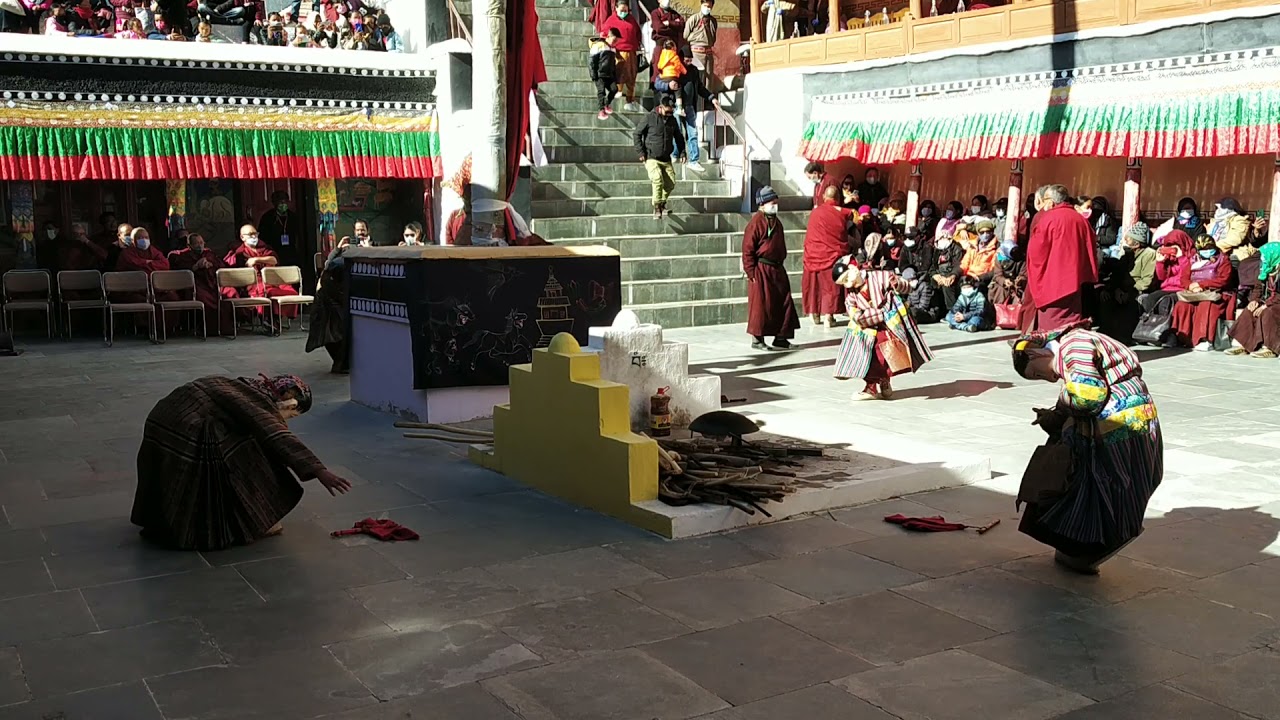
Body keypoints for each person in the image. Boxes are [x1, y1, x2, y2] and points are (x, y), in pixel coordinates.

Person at [131, 374, 351, 551]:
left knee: (243, 438)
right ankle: (251, 519)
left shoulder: (239, 385)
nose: (287, 420)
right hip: (187, 431)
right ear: (287, 400)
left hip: (161, 420)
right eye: (291, 415)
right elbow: (276, 434)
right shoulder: (258, 401)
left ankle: (165, 519)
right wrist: (319, 470)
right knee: (247, 452)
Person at [1011, 325, 1162, 574]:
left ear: (1036, 354)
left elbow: (1088, 396)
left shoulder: (1075, 346)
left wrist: (1059, 410)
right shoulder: (1076, 345)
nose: (1047, 379)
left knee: (1103, 486)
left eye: (1036, 374)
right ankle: (1087, 546)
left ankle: (1093, 543)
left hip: (1119, 429)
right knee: (1118, 484)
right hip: (1134, 422)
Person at [833, 258, 933, 400]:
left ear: (853, 269)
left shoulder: (881, 276)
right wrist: (878, 314)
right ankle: (872, 386)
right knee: (869, 356)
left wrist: (898, 283)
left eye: (847, 277)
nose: (848, 283)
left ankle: (884, 381)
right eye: (844, 282)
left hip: (889, 324)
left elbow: (908, 287)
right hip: (868, 328)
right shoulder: (851, 295)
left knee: (886, 355)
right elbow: (855, 314)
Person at [1026, 184, 1098, 332]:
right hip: (1075, 281)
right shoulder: (1081, 220)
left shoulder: (1047, 219)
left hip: (1052, 281)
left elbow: (1036, 253)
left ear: (1051, 202)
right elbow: (1091, 247)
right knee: (1071, 323)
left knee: (1051, 328)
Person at [742, 186, 799, 350]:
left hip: (777, 268)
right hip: (761, 269)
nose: (775, 205)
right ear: (763, 203)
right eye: (772, 202)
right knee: (761, 305)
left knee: (784, 302)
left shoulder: (776, 222)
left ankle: (781, 337)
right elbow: (747, 250)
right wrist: (751, 271)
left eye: (776, 202)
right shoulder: (755, 223)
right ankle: (757, 339)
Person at [223, 223, 299, 328]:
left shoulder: (263, 247)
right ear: (242, 237)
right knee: (267, 292)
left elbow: (274, 260)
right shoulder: (239, 252)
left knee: (290, 292)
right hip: (253, 283)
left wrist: (256, 259)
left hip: (272, 280)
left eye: (255, 233)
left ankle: (276, 317)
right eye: (250, 234)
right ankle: (269, 319)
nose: (254, 237)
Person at [1170, 234, 1234, 350]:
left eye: (1209, 248)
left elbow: (1223, 279)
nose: (1206, 251)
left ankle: (1204, 339)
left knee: (1206, 306)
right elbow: (1184, 277)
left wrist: (1202, 285)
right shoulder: (1193, 260)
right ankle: (1184, 338)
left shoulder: (1223, 260)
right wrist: (1191, 286)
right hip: (1195, 293)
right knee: (1182, 306)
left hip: (1215, 293)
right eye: (1203, 249)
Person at [802, 185, 852, 327]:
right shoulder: (842, 212)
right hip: (831, 254)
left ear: (824, 197)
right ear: (837, 198)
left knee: (814, 285)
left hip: (812, 254)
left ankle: (814, 314)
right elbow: (854, 216)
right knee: (829, 285)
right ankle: (828, 317)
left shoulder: (815, 212)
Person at [633, 94, 685, 219]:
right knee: (657, 179)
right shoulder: (649, 118)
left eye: (671, 112)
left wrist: (683, 152)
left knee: (670, 183)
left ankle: (662, 203)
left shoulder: (672, 120)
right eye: (667, 111)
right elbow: (637, 134)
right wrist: (641, 152)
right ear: (661, 107)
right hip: (651, 156)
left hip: (666, 158)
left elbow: (679, 137)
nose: (669, 114)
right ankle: (656, 207)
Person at [167, 232, 228, 336]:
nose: (200, 245)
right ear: (189, 246)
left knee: (228, 295)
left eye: (201, 242)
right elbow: (181, 271)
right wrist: (196, 266)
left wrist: (210, 265)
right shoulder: (181, 256)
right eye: (196, 244)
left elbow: (221, 266)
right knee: (204, 299)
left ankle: (225, 329)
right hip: (196, 285)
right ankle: (209, 330)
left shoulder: (209, 254)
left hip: (212, 283)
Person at [1227, 243, 1280, 359]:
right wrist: (1254, 300)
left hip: (1277, 303)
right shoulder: (1266, 269)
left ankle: (1270, 348)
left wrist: (1266, 305)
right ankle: (1245, 344)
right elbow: (1258, 287)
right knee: (1250, 310)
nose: (1262, 259)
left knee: (1268, 313)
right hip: (1269, 301)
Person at [308, 241, 353, 373]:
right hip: (328, 303)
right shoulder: (338, 265)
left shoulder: (343, 264)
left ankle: (341, 363)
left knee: (335, 334)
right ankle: (340, 363)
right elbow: (326, 278)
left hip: (334, 302)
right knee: (333, 334)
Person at [675, 46, 719, 170]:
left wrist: (711, 97)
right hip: (678, 106)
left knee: (693, 133)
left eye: (690, 60)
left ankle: (694, 160)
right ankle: (676, 155)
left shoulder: (694, 71)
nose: (688, 63)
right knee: (677, 131)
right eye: (686, 60)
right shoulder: (676, 69)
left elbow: (700, 87)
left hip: (690, 107)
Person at [601, 0, 642, 111]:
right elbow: (604, 34)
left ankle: (630, 99)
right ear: (616, 9)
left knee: (631, 75)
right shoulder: (611, 20)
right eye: (621, 10)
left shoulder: (631, 19)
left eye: (626, 10)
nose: (624, 12)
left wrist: (637, 44)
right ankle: (618, 90)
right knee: (619, 73)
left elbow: (638, 33)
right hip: (618, 52)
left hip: (631, 52)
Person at [257, 190, 304, 267]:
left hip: (291, 251)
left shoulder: (293, 217)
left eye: (285, 202)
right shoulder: (267, 218)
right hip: (274, 251)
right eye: (280, 202)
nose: (283, 204)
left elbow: (299, 236)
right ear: (274, 203)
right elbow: (262, 237)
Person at [683, 0, 717, 92]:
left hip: (708, 53)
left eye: (709, 7)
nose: (707, 8)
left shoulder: (713, 21)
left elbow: (713, 37)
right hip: (696, 52)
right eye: (705, 5)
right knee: (698, 78)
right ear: (701, 5)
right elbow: (685, 35)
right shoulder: (694, 19)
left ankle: (708, 101)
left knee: (709, 79)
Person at [929, 231, 964, 316]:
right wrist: (935, 275)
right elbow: (932, 267)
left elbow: (959, 266)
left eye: (944, 238)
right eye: (940, 238)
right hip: (940, 275)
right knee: (929, 282)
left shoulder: (957, 249)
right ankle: (936, 311)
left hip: (952, 275)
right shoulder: (936, 250)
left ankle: (952, 312)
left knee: (947, 285)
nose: (942, 240)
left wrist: (950, 276)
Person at [589, 28, 620, 121]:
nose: (615, 42)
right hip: (599, 74)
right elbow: (591, 61)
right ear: (608, 37)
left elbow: (613, 64)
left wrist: (614, 75)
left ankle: (606, 104)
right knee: (601, 91)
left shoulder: (613, 49)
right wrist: (593, 74)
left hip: (609, 74)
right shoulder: (599, 46)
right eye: (614, 40)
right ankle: (601, 110)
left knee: (614, 89)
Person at [1207, 197, 1252, 262]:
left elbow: (1234, 240)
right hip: (1212, 252)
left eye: (1220, 208)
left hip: (1233, 254)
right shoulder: (1215, 221)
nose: (1217, 211)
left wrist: (1212, 247)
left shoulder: (1239, 220)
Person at [648, 0, 684, 79]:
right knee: (658, 70)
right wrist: (674, 27)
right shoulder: (655, 13)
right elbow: (659, 28)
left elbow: (681, 25)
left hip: (673, 47)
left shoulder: (675, 14)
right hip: (661, 46)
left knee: (673, 68)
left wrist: (669, 23)